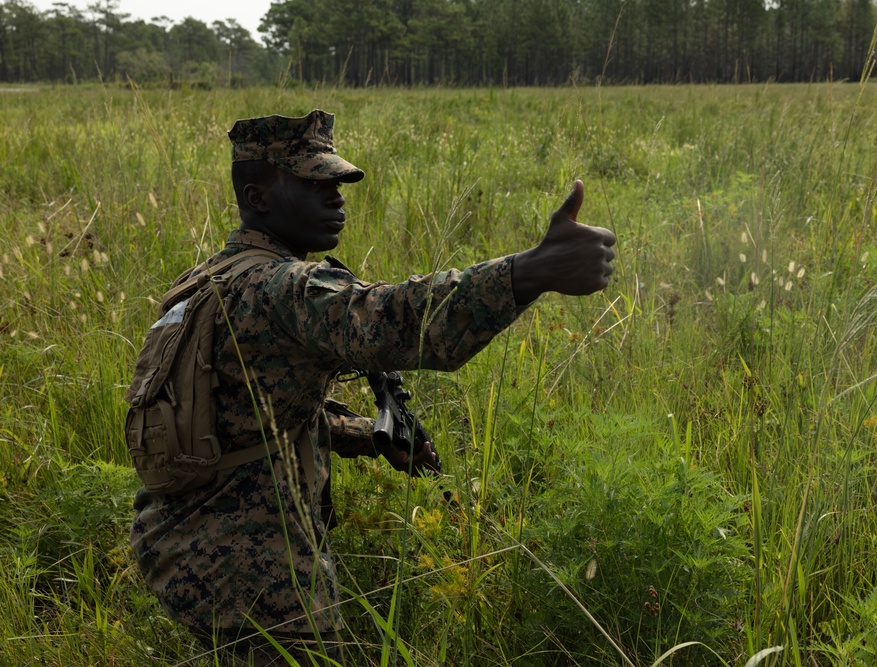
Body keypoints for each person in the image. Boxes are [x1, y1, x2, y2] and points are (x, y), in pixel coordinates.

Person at [129, 109, 616, 665]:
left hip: (174, 536)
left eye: (335, 183)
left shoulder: (208, 278)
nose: (335, 197)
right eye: (313, 184)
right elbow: (394, 319)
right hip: (248, 564)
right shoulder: (283, 288)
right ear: (257, 197)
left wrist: (366, 434)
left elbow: (246, 411)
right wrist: (532, 270)